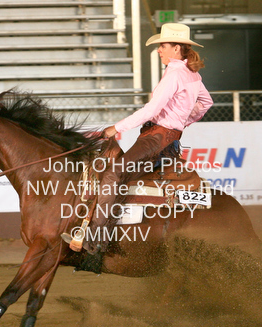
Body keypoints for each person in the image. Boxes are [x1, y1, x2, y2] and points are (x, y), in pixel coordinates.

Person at [65, 23, 213, 254]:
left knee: (113, 174)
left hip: (155, 139)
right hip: (169, 141)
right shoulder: (191, 73)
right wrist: (182, 121)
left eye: (163, 45)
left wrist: (115, 128)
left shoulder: (174, 74)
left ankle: (92, 237)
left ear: (176, 48)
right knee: (123, 175)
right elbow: (206, 102)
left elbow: (150, 110)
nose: (159, 50)